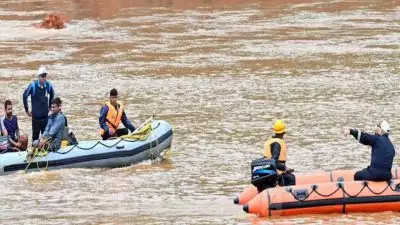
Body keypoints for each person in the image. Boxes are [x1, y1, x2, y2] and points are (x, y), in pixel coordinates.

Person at [23, 66, 55, 143]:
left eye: (45, 76)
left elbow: (52, 94)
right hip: (36, 119)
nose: (44, 78)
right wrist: (27, 110)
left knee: (46, 139)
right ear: (39, 76)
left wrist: (50, 107)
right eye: (42, 76)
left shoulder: (48, 85)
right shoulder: (33, 85)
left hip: (45, 118)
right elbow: (25, 96)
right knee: (35, 139)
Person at [263, 120, 296, 186]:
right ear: (283, 132)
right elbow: (273, 161)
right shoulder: (277, 143)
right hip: (276, 174)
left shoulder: (270, 140)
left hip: (269, 172)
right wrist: (285, 168)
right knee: (291, 178)